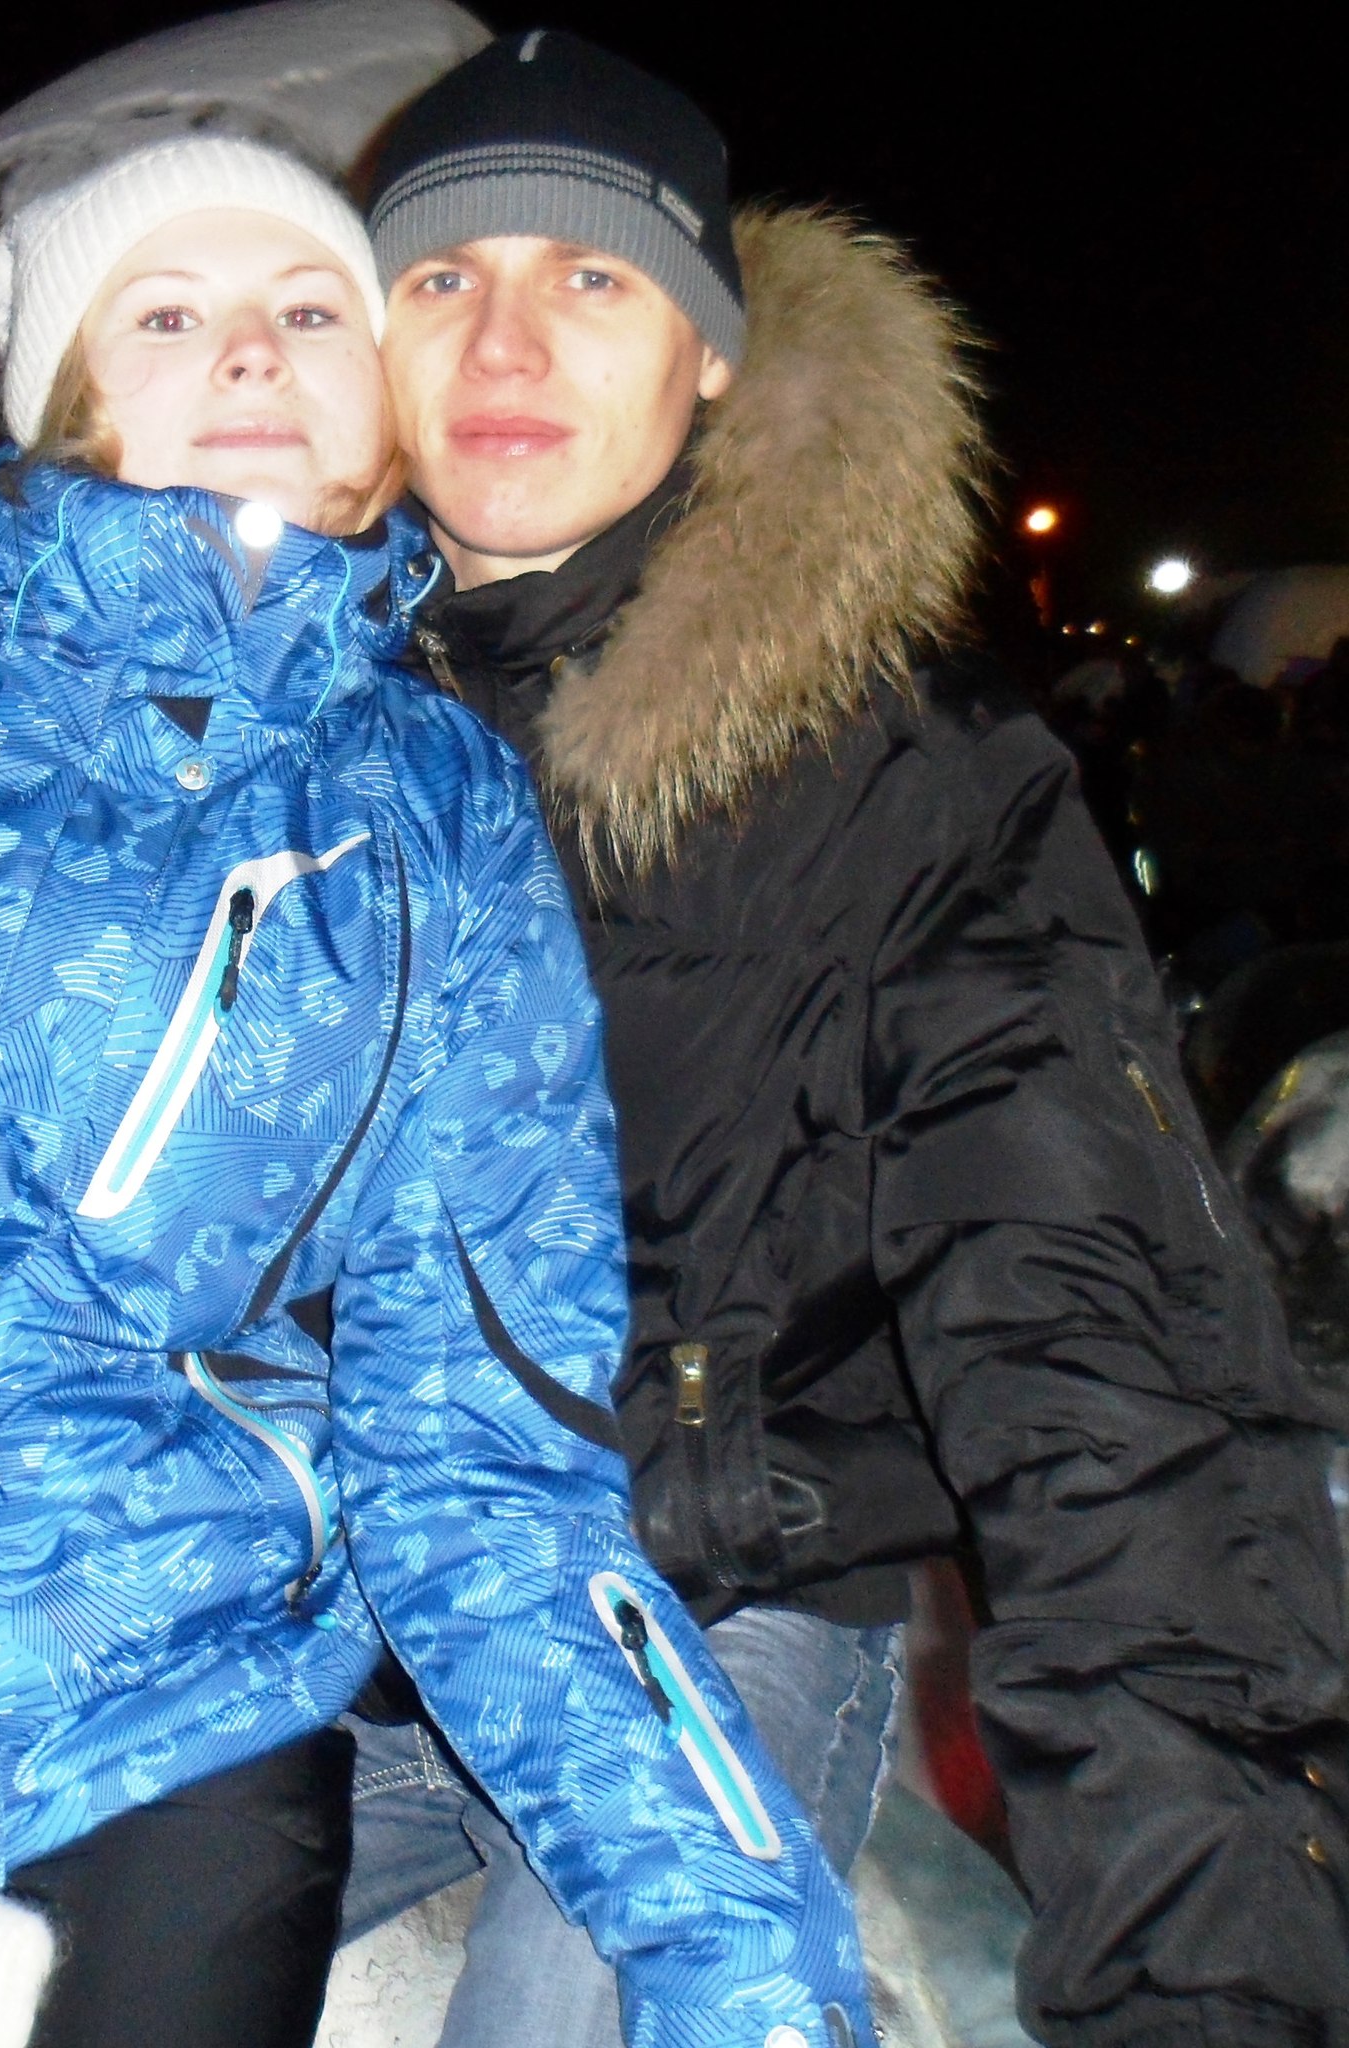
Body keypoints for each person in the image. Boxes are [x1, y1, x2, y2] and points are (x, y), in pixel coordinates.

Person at [0, 137, 873, 2048]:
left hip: (175, 1711)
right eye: (170, 315)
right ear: (69, 391)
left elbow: (485, 1451)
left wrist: (740, 1961)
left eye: (307, 311)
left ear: (378, 398)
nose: (251, 351)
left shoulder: (440, 812)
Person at [340, 30, 1349, 2048]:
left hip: (700, 1608)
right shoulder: (258, 734)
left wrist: (1201, 1981)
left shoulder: (903, 785)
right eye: (439, 276)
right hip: (328, 1632)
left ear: (711, 351)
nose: (503, 343)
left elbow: (1100, 1364)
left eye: (591, 275)